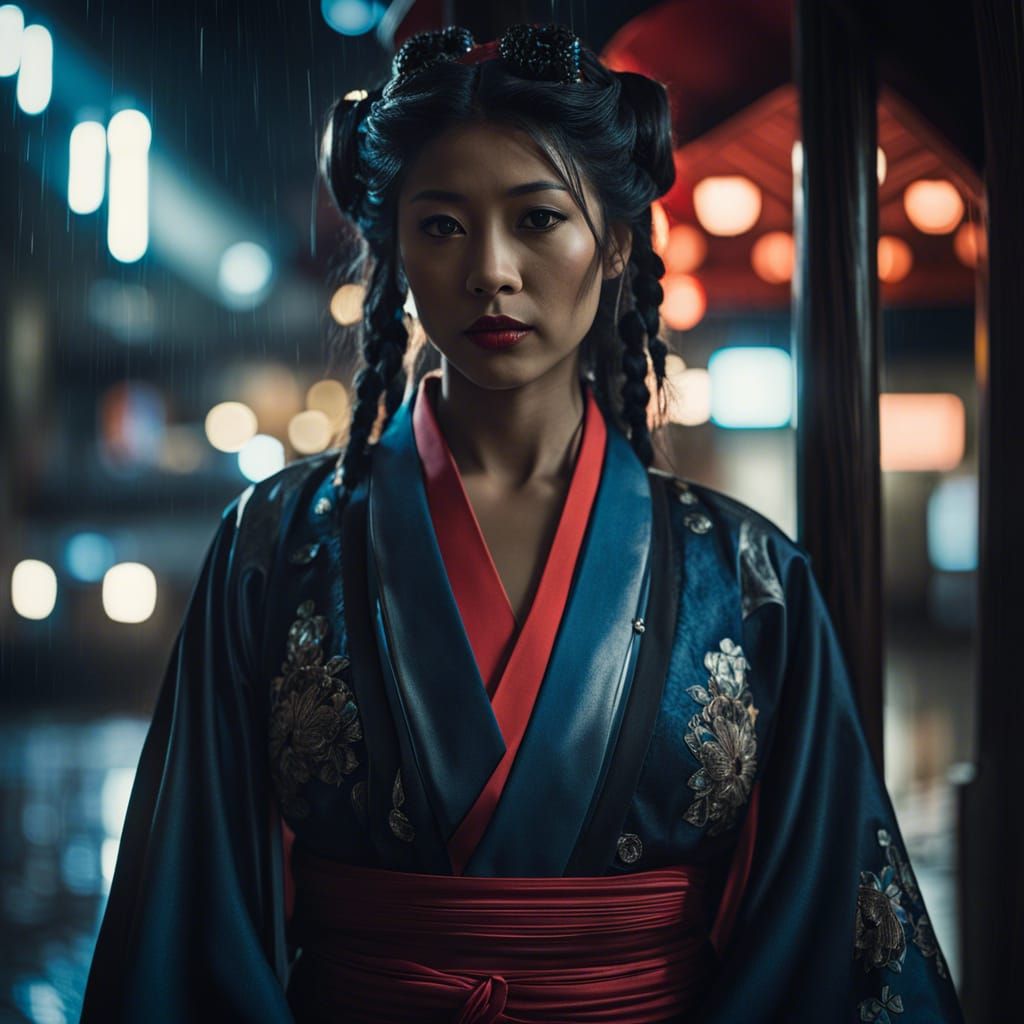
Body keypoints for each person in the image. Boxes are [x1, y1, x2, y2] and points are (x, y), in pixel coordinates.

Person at [80, 22, 965, 1024]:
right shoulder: (275, 544)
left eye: (538, 220)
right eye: (443, 225)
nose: (489, 270)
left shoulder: (748, 576)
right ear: (396, 245)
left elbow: (818, 929)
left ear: (617, 244)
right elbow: (192, 915)